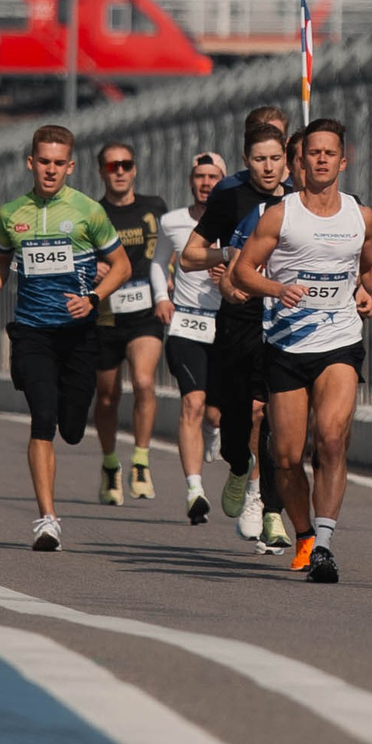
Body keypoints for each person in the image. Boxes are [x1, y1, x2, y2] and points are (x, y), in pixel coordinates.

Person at [232, 119, 372, 585]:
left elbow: (371, 263)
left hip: (339, 340)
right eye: (313, 153)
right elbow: (243, 271)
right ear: (300, 161)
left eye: (329, 153)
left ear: (343, 162)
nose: (321, 159)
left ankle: (323, 544)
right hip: (285, 346)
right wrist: (276, 289)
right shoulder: (280, 215)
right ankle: (303, 534)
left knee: (332, 439)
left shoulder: (360, 216)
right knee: (285, 456)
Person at [0, 124, 129, 551]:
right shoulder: (12, 213)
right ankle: (47, 519)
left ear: (71, 167)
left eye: (59, 163)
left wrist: (93, 298)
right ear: (31, 163)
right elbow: (1, 260)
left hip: (78, 334)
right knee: (42, 417)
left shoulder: (88, 212)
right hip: (32, 332)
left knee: (72, 429)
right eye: (44, 161)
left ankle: (71, 426)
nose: (50, 170)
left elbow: (122, 266)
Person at [178, 108, 296, 555]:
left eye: (275, 159)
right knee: (234, 421)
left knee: (271, 415)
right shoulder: (229, 196)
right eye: (259, 160)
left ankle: (270, 510)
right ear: (247, 160)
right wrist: (227, 257)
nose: (268, 168)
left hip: (283, 320)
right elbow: (190, 256)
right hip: (237, 319)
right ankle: (238, 464)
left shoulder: (299, 199)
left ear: (287, 159)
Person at [89, 140, 170, 507]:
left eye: (125, 164)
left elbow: (169, 249)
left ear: (135, 169)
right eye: (112, 166)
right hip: (106, 316)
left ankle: (140, 461)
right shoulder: (92, 213)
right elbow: (77, 254)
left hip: (144, 314)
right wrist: (91, 267)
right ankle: (110, 464)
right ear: (101, 172)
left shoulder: (154, 208)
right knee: (107, 397)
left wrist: (168, 278)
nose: (119, 171)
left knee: (143, 381)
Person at [160, 152, 228, 524]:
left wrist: (228, 278)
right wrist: (161, 297)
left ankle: (213, 428)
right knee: (193, 402)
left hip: (225, 325)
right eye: (200, 176)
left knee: (215, 414)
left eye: (213, 176)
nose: (206, 183)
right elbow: (159, 263)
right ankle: (194, 490)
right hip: (185, 324)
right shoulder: (173, 221)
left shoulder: (237, 222)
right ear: (191, 181)